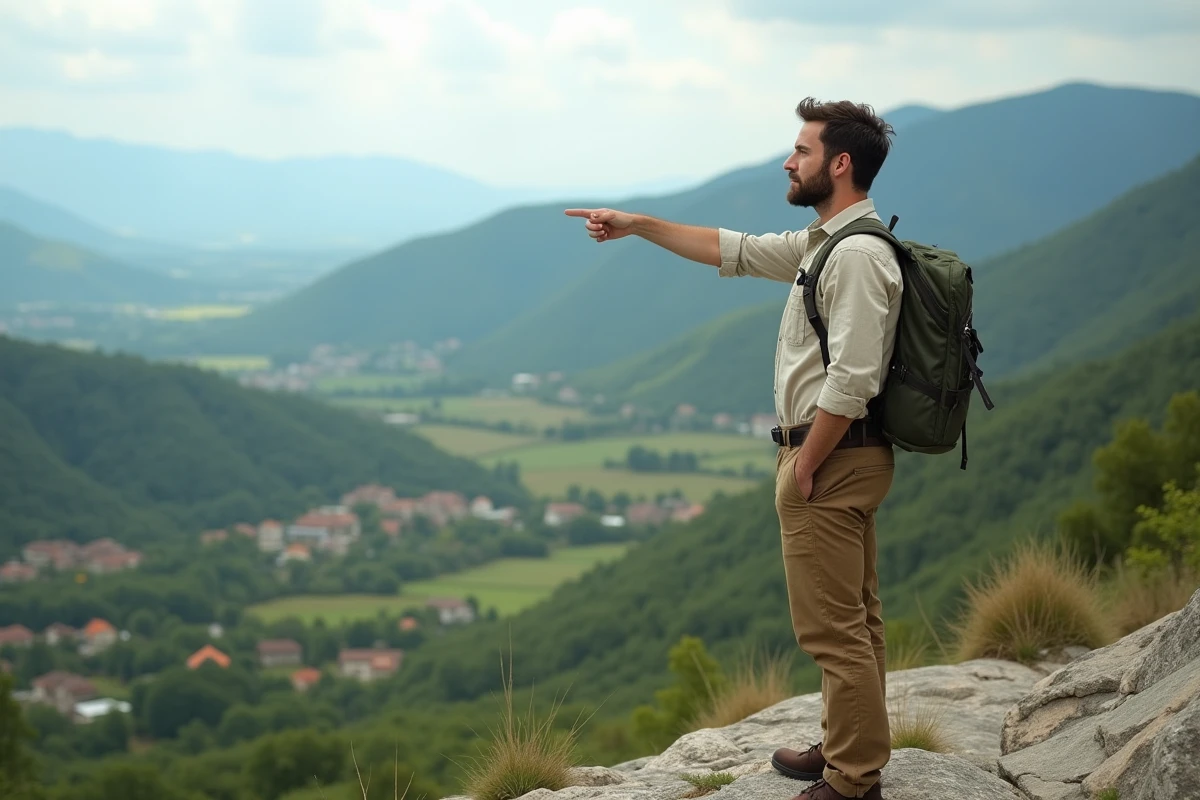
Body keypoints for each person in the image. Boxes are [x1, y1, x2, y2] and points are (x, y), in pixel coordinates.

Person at [565, 98, 900, 800]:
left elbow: (856, 377)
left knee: (833, 630)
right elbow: (734, 249)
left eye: (802, 150)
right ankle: (848, 746)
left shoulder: (860, 254)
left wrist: (804, 464)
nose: (788, 159)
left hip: (829, 458)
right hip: (833, 457)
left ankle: (853, 781)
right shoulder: (826, 244)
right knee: (855, 619)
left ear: (840, 164)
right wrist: (637, 225)